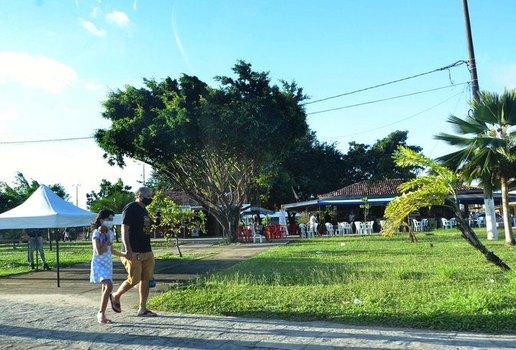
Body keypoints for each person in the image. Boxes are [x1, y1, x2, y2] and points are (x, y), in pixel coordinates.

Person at [111, 186, 157, 317]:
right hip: (133, 251)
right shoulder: (131, 208)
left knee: (146, 279)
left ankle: (142, 308)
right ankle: (115, 295)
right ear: (140, 196)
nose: (151, 198)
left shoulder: (145, 211)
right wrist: (128, 250)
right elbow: (124, 229)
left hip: (147, 250)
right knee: (134, 279)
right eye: (149, 195)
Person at [90, 210, 125, 324]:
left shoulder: (110, 233)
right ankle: (100, 313)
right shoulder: (96, 233)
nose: (111, 222)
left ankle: (103, 313)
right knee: (109, 286)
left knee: (105, 288)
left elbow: (111, 250)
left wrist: (125, 255)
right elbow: (99, 251)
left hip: (107, 264)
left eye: (112, 219)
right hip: (99, 264)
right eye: (109, 219)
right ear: (101, 220)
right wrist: (107, 241)